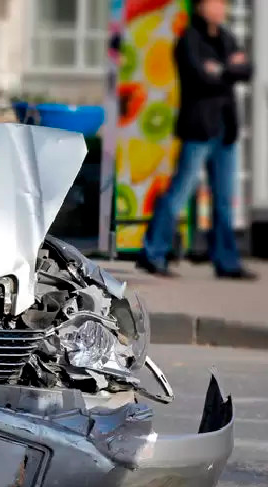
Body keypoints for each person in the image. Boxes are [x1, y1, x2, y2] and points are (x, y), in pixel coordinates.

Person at [137, 0, 257, 280]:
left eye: (223, 4)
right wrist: (228, 69)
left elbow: (246, 70)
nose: (221, 8)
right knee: (180, 193)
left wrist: (221, 69)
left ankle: (227, 261)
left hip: (226, 129)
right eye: (215, 3)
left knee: (225, 199)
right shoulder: (189, 39)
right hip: (199, 129)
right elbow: (201, 77)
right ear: (200, 7)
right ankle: (153, 252)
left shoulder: (226, 38)